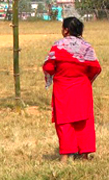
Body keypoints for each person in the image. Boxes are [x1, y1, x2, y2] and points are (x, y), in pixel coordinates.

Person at [43, 16, 101, 160]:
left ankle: (65, 156)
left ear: (66, 30)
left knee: (64, 122)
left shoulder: (57, 46)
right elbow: (95, 68)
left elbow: (49, 66)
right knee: (84, 121)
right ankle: (85, 154)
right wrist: (85, 78)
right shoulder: (87, 47)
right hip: (82, 88)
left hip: (62, 89)